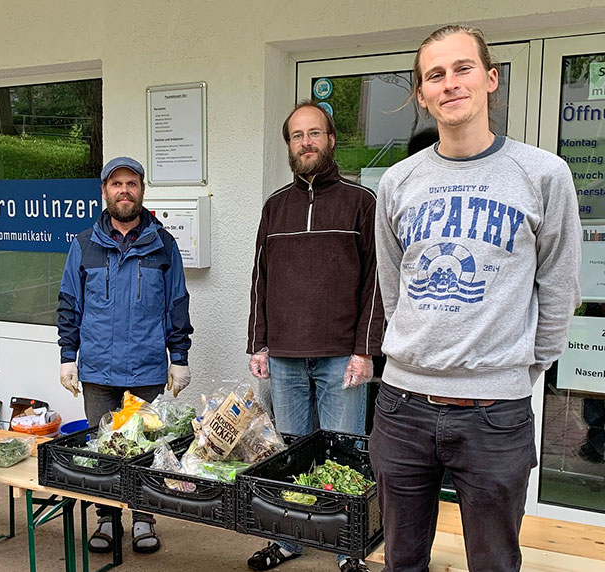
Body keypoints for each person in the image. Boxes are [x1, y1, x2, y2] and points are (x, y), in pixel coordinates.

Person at [372, 25, 582, 571]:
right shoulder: (397, 182)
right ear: (422, 95)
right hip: (401, 408)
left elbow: (560, 284)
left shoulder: (543, 174)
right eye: (434, 75)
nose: (450, 83)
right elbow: (393, 288)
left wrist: (522, 367)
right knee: (400, 561)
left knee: (494, 563)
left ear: (490, 79)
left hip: (496, 415)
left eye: (462, 68)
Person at [246, 101, 384, 572]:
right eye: (296, 136)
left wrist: (365, 350)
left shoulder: (361, 202)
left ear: (331, 139)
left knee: (343, 456)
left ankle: (349, 549)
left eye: (314, 133)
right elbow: (260, 279)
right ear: (289, 145)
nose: (305, 142)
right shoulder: (275, 206)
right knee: (290, 456)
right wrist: (258, 343)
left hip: (341, 356)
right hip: (284, 356)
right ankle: (288, 540)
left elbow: (376, 283)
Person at [57, 156, 193, 554]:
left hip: (146, 370)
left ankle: (143, 519)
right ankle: (107, 519)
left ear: (142, 190)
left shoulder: (163, 245)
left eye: (131, 184)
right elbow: (69, 304)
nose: (124, 191)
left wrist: (179, 357)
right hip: (98, 371)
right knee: (104, 452)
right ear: (104, 191)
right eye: (116, 184)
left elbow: (176, 303)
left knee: (146, 449)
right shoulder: (83, 244)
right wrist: (68, 356)